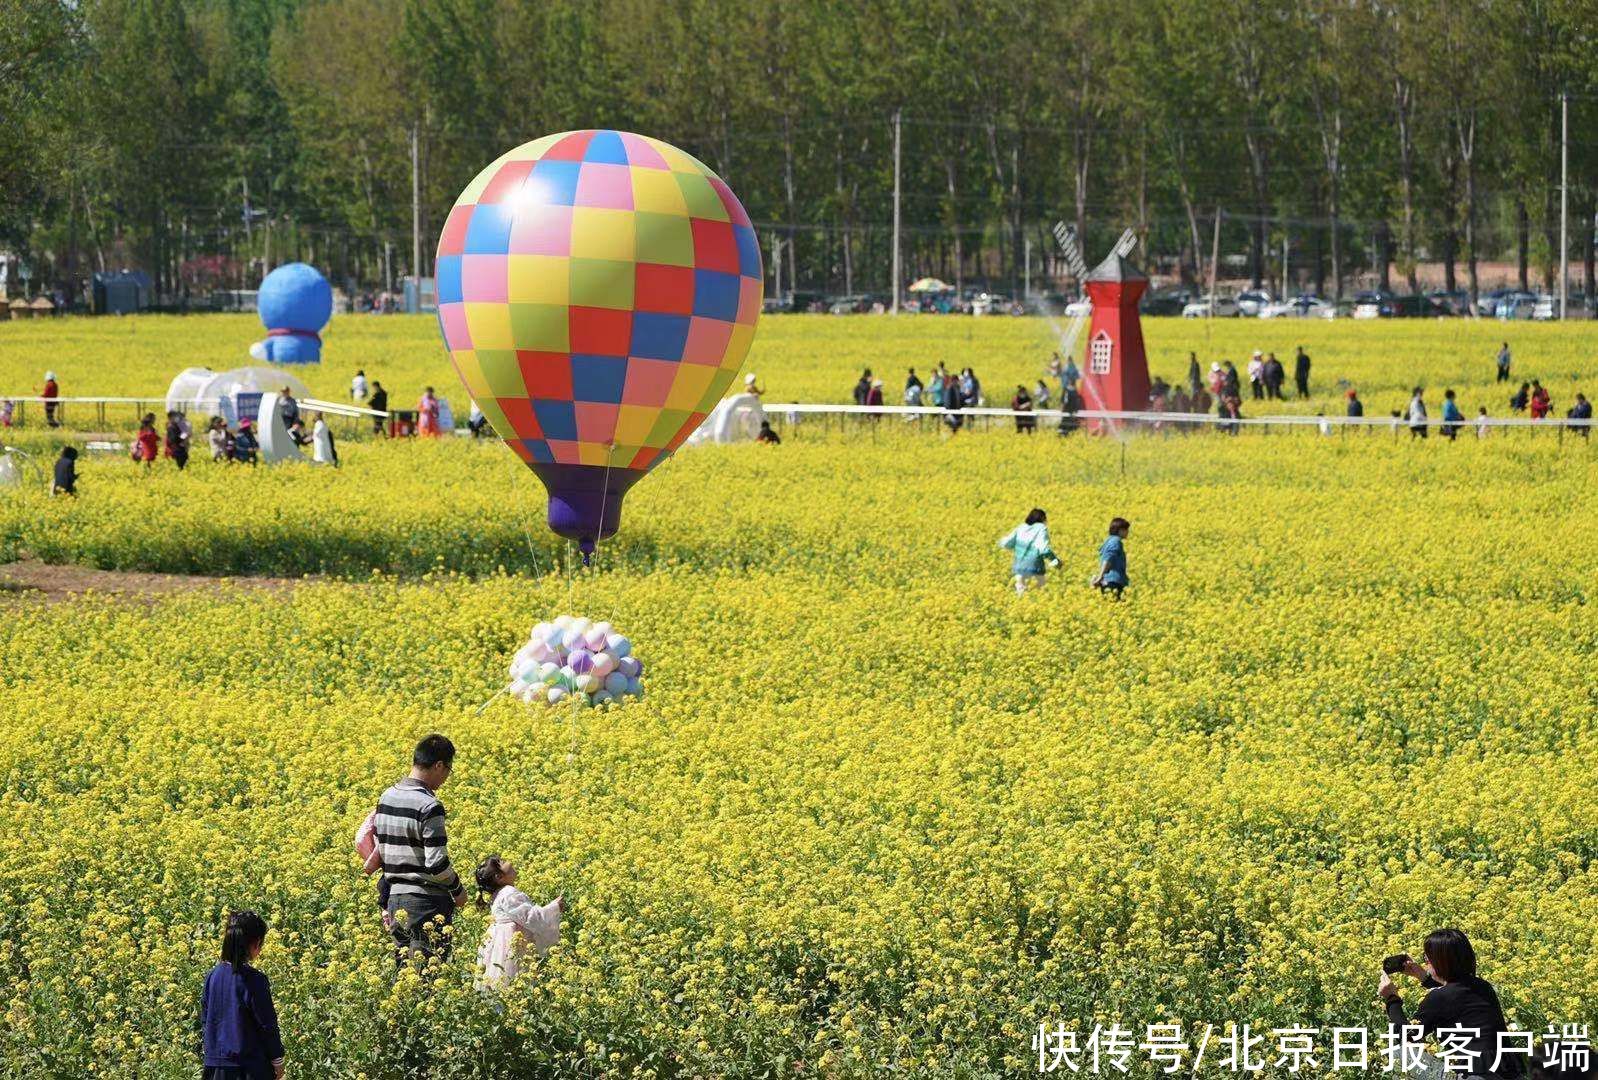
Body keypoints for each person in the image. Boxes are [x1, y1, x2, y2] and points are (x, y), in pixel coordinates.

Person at [1379, 928, 1523, 1079]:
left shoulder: (1438, 998)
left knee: (1399, 1054)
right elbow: (1454, 996)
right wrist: (1423, 976)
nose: (1425, 964)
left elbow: (1407, 1036)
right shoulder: (1483, 986)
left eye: (1427, 959)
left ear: (1439, 963)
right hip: (1510, 1073)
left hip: (1476, 1077)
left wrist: (1391, 998)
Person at [376, 734, 466, 968]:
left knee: (405, 978)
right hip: (425, 904)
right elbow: (436, 864)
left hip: (395, 900)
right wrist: (457, 890)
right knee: (426, 982)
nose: (446, 777)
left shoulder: (387, 797)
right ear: (438, 765)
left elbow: (381, 851)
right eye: (448, 770)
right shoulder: (429, 805)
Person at [200, 911, 285, 1080]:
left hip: (215, 1068)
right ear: (256, 943)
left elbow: (205, 1019)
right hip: (249, 1068)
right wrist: (277, 1060)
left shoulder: (212, 976)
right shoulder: (254, 979)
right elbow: (267, 1024)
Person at [474, 856, 564, 991]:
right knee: (515, 981)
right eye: (502, 862)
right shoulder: (509, 893)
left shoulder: (498, 894)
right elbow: (530, 918)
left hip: (499, 944)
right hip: (511, 944)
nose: (508, 861)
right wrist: (554, 907)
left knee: (502, 984)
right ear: (499, 877)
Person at [998, 508, 1061, 594]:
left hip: (1019, 568)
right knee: (1039, 595)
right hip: (1035, 568)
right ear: (1042, 518)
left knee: (1021, 596)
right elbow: (1043, 549)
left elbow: (1006, 543)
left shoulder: (1021, 527)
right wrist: (1055, 560)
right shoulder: (1041, 528)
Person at [1092, 517, 1130, 599]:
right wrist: (1100, 576)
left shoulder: (1108, 541)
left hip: (1107, 581)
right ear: (1120, 530)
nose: (1128, 532)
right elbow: (1108, 558)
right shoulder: (1116, 541)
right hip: (1114, 581)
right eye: (1126, 530)